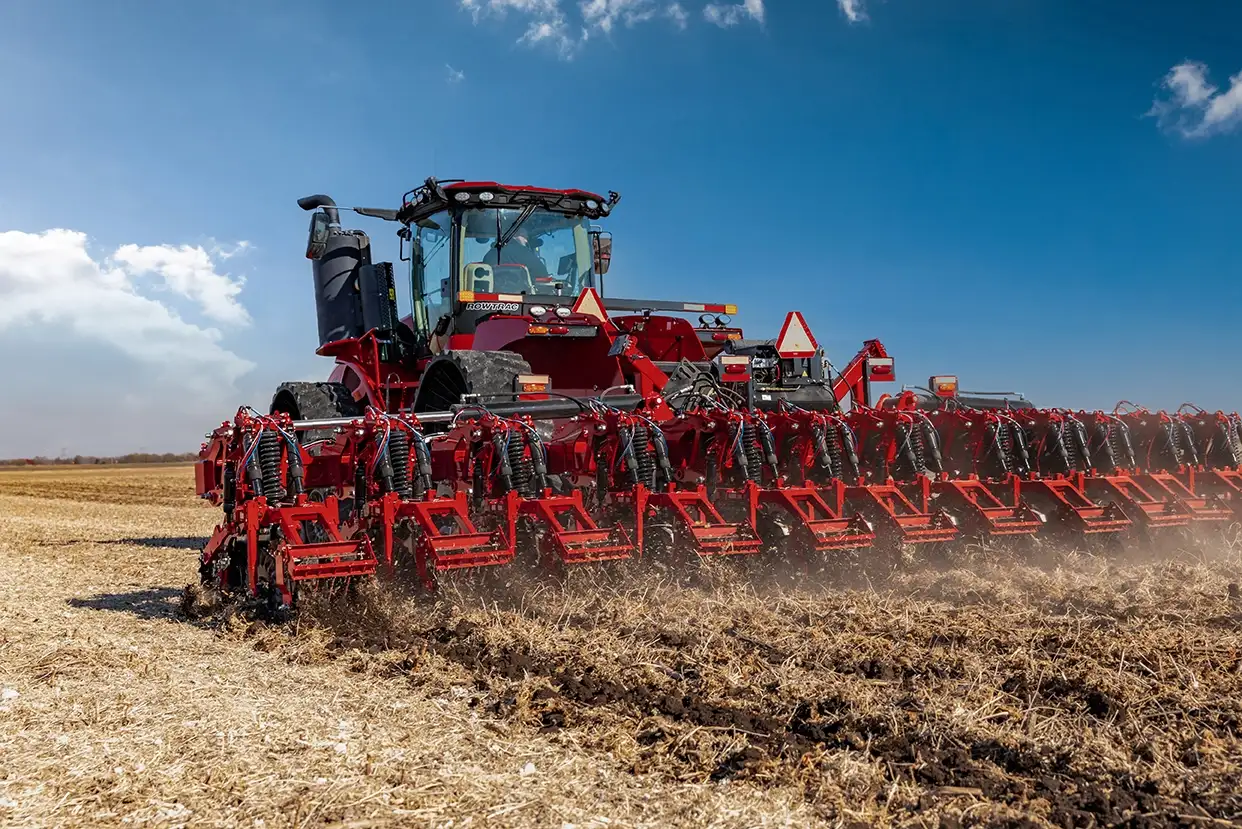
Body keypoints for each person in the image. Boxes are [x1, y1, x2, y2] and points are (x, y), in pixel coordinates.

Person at [483, 232, 549, 281]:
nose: (526, 240)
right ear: (514, 235)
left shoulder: (488, 255)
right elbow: (543, 274)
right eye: (524, 237)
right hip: (522, 295)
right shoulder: (523, 252)